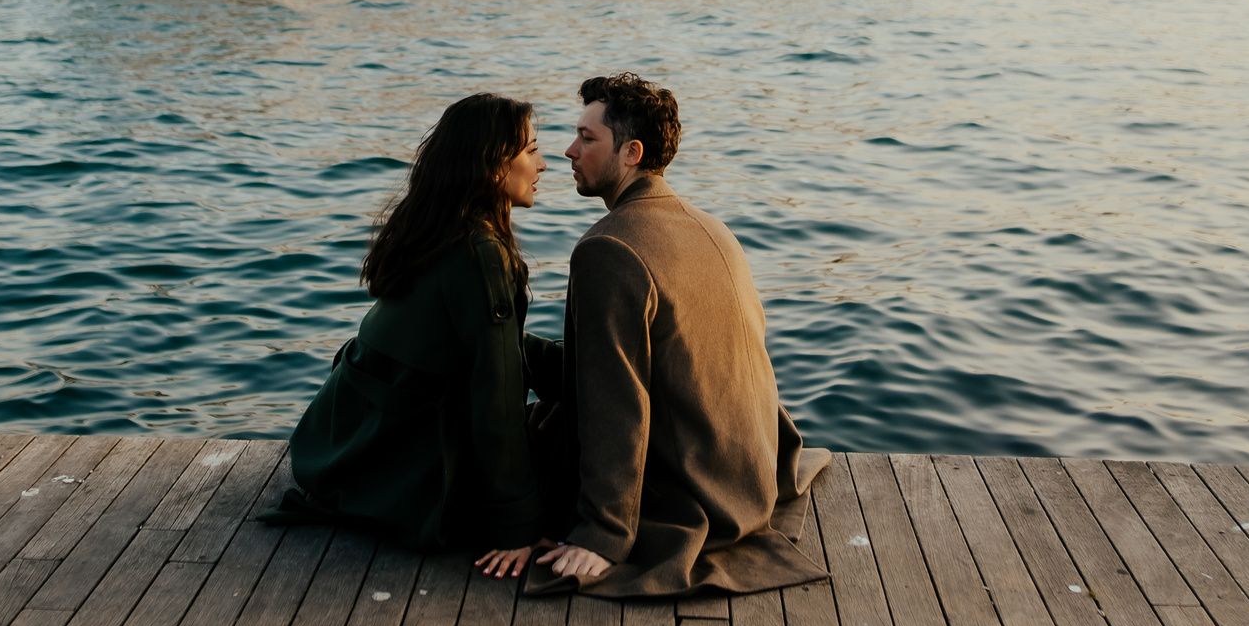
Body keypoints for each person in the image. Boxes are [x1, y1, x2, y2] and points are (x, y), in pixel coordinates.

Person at [528, 73, 830, 599]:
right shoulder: (711, 226)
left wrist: (604, 533)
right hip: (747, 470)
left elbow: (614, 405)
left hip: (695, 491)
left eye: (587, 138)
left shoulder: (608, 249)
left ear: (632, 153)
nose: (570, 150)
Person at [261, 93, 561, 579]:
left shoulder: (432, 228)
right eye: (530, 150)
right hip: (411, 474)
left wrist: (569, 367)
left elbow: (478, 344)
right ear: (491, 166)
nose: (543, 163)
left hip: (342, 447)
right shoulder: (480, 251)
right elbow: (497, 396)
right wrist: (516, 526)